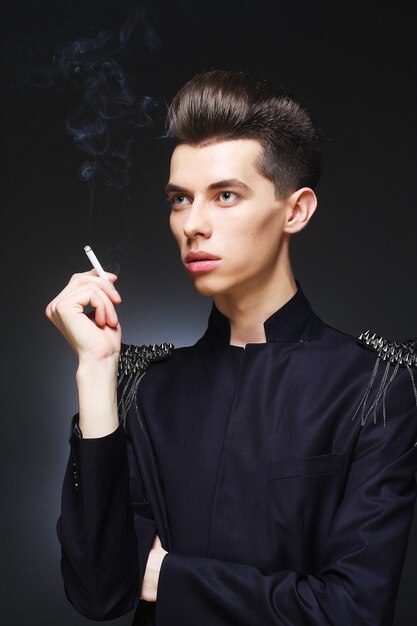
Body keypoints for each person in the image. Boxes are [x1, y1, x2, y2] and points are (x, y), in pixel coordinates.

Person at [46, 70, 417, 625]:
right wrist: (97, 372)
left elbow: (353, 612)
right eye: (179, 199)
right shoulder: (147, 387)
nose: (193, 224)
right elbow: (100, 593)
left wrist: (170, 577)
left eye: (224, 196)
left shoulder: (376, 386)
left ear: (296, 210)